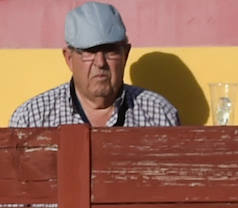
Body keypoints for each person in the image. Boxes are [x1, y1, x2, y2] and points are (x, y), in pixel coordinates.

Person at [9, 2, 179, 128]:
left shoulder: (160, 115)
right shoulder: (31, 120)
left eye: (110, 50)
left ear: (125, 55)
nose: (100, 63)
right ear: (69, 58)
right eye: (89, 52)